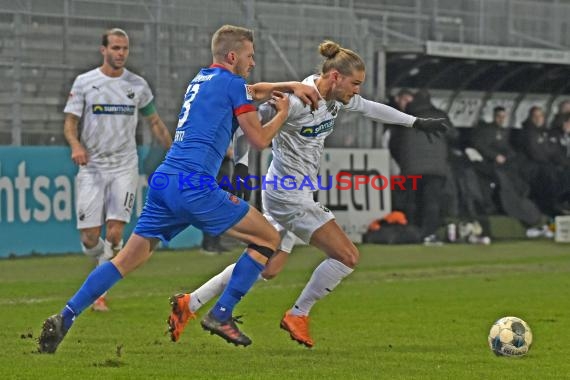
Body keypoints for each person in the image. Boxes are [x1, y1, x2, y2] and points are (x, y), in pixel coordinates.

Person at [38, 24, 321, 353]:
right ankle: (221, 313)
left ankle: (66, 315)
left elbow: (251, 90)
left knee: (124, 261)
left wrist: (288, 85)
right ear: (233, 56)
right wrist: (283, 113)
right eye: (250, 56)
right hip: (194, 185)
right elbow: (259, 139)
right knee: (268, 239)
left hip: (165, 181)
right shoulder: (234, 84)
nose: (253, 62)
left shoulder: (202, 80)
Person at [166, 41, 448, 348]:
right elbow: (248, 122)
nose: (357, 91)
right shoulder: (297, 99)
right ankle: (298, 314)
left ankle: (190, 303)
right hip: (289, 196)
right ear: (336, 77)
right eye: (355, 84)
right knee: (347, 256)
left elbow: (371, 109)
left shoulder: (337, 99)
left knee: (267, 267)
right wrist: (243, 167)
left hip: (288, 190)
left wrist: (415, 122)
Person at [63, 28, 172, 311]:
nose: (120, 53)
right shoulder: (85, 82)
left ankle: (100, 287)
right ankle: (106, 257)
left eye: (124, 48)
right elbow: (70, 123)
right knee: (90, 236)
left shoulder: (137, 85)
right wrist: (76, 146)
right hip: (92, 166)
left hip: (124, 164)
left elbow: (155, 122)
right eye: (115, 48)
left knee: (114, 232)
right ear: (104, 50)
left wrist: (173, 152)